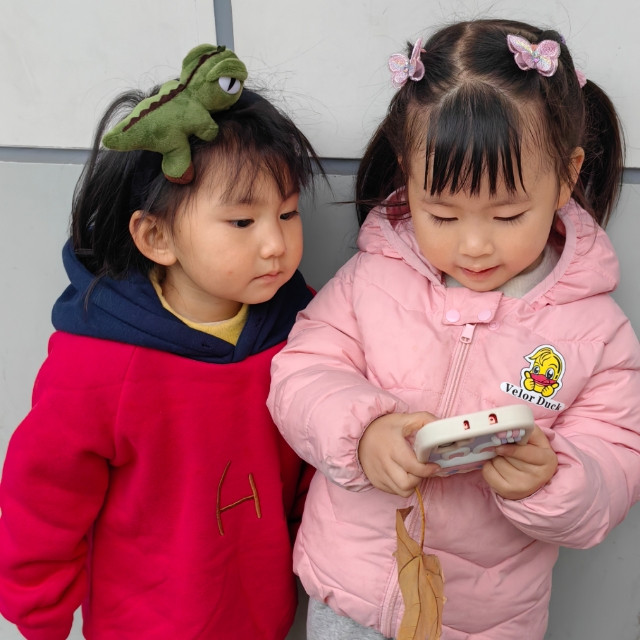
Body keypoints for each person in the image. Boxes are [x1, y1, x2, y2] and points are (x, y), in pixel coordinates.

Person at [267, 18, 640, 640]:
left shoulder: (594, 331)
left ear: (566, 177)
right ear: (407, 176)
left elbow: (617, 462)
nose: (473, 245)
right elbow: (301, 373)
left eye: (507, 215)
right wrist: (362, 435)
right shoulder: (373, 278)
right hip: (351, 595)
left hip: (487, 621)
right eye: (441, 214)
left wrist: (553, 479)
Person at [0, 44, 321, 640]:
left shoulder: (304, 328)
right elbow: (43, 499)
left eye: (288, 213)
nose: (275, 244)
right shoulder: (98, 364)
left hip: (263, 612)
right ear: (157, 237)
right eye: (242, 221)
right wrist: (40, 616)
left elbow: (315, 465)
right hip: (143, 624)